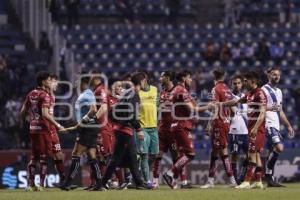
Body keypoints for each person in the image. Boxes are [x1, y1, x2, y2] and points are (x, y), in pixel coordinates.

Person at [163, 70, 214, 189]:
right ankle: (170, 174)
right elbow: (193, 109)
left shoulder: (178, 90)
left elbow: (193, 106)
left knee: (182, 155)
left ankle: (180, 181)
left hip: (177, 125)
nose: (191, 80)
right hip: (181, 125)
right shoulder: (181, 90)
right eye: (190, 78)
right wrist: (208, 106)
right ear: (184, 78)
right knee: (190, 154)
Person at [101, 72, 152, 190]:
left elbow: (112, 112)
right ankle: (102, 183)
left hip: (122, 128)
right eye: (145, 81)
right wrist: (138, 128)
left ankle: (139, 183)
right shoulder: (134, 94)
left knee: (132, 158)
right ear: (142, 81)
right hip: (125, 130)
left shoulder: (127, 93)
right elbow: (131, 114)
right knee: (115, 158)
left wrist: (117, 122)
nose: (146, 83)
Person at [222, 71, 267, 189]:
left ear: (253, 81)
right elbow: (236, 101)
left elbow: (262, 113)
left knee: (251, 155)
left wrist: (256, 128)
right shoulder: (250, 94)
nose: (244, 82)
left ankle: (246, 181)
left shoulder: (260, 93)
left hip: (257, 129)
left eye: (246, 81)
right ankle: (258, 181)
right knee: (256, 154)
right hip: (252, 128)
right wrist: (222, 104)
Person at [20, 71, 65, 191]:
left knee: (36, 156)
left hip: (34, 128)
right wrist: (58, 124)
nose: (52, 83)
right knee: (44, 157)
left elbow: (23, 111)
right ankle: (41, 184)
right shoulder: (45, 95)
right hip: (44, 128)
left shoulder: (32, 93)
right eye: (50, 80)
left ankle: (31, 184)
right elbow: (45, 114)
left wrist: (31, 121)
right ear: (44, 82)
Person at [59, 74, 103, 191]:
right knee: (91, 155)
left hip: (87, 127)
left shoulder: (87, 94)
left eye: (78, 81)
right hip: (90, 127)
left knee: (76, 154)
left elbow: (93, 109)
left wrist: (83, 121)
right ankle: (99, 183)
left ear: (84, 83)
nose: (75, 83)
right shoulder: (86, 94)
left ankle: (68, 183)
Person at [152, 71, 191, 189]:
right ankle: (155, 182)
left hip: (173, 129)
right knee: (157, 155)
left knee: (177, 157)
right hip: (162, 129)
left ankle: (176, 180)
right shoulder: (162, 93)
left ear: (168, 78)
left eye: (162, 76)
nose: (160, 78)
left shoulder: (177, 91)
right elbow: (158, 109)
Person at [201, 69, 236, 189]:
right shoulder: (227, 88)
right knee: (217, 151)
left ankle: (230, 180)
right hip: (226, 122)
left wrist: (210, 123)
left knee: (221, 152)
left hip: (219, 123)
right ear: (224, 76)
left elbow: (215, 107)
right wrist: (229, 119)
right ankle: (212, 180)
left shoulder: (215, 89)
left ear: (214, 77)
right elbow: (233, 107)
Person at [262, 67, 295, 187]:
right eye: (274, 74)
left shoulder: (279, 92)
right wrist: (270, 108)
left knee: (271, 152)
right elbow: (258, 108)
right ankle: (266, 175)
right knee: (279, 148)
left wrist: (288, 126)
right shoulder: (263, 90)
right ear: (268, 75)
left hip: (276, 125)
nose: (276, 77)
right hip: (268, 124)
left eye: (278, 75)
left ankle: (270, 179)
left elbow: (280, 111)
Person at [135, 71, 159, 186]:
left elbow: (159, 105)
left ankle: (140, 172)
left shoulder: (155, 90)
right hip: (142, 127)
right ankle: (147, 180)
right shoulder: (137, 92)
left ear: (146, 79)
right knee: (144, 154)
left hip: (154, 127)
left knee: (154, 154)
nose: (141, 82)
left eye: (142, 80)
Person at [228, 74, 248, 184]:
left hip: (246, 130)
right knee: (234, 153)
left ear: (242, 84)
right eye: (234, 83)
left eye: (239, 83)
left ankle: (241, 177)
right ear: (231, 84)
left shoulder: (246, 96)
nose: (237, 85)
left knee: (250, 155)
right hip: (234, 130)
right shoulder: (228, 96)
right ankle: (235, 180)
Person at [49, 74, 66, 186]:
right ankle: (34, 182)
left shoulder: (52, 96)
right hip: (43, 129)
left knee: (59, 155)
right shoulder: (42, 94)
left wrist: (55, 125)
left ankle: (63, 180)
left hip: (51, 129)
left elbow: (50, 114)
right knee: (39, 157)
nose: (57, 84)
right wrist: (58, 125)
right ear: (48, 81)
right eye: (55, 82)